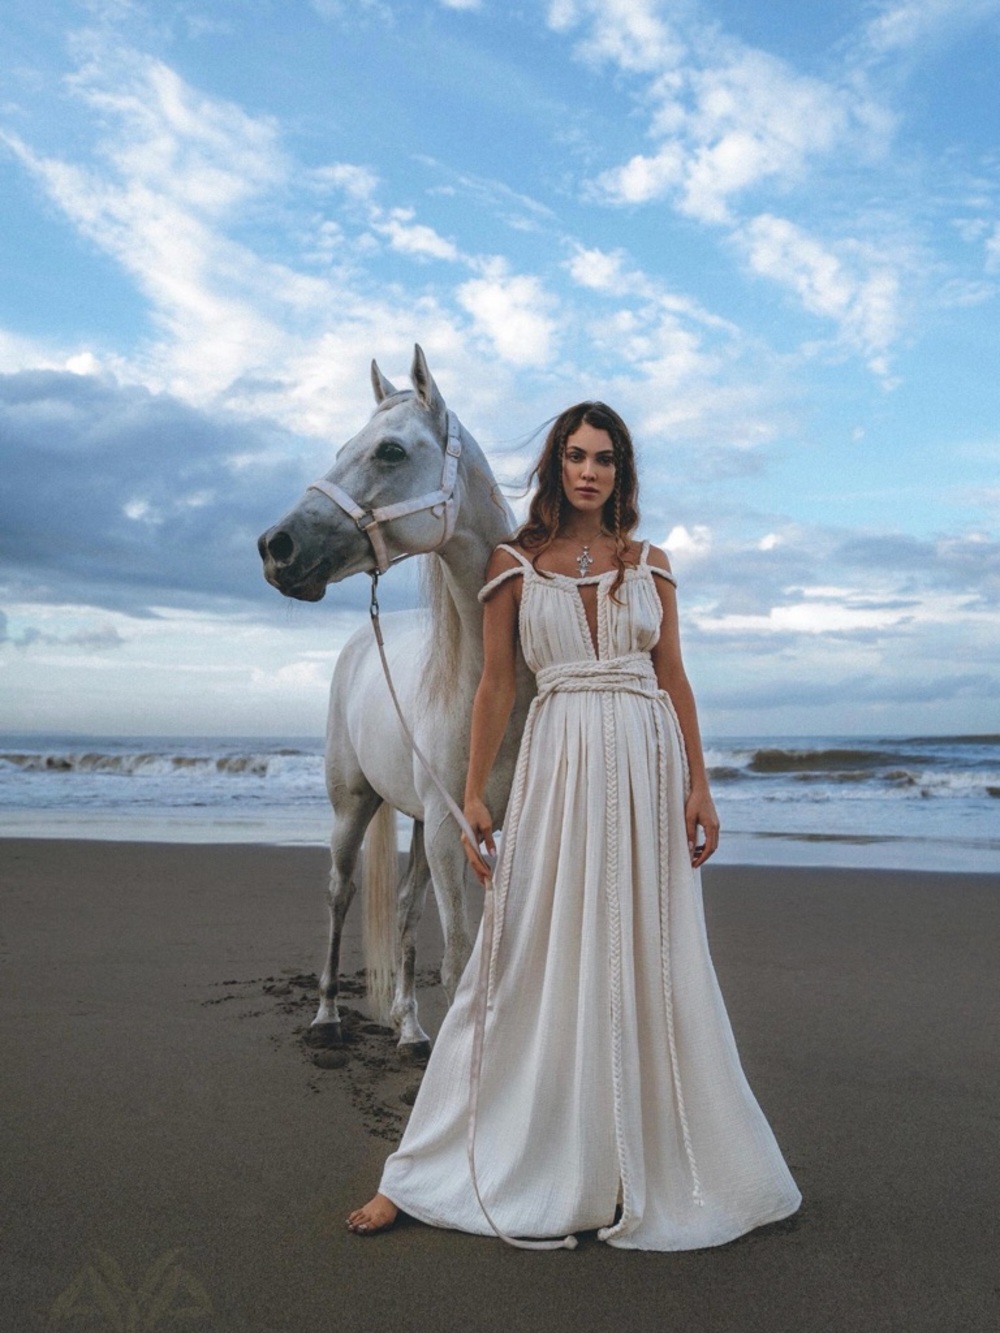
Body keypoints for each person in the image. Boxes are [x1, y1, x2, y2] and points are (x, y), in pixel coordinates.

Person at [347, 402, 801, 1249]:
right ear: (556, 465)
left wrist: (702, 787)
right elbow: (494, 688)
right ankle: (421, 1169)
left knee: (646, 955)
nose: (589, 471)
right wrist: (476, 793)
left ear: (621, 474)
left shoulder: (651, 563)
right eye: (576, 455)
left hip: (645, 768)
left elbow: (675, 679)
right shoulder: (511, 563)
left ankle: (632, 1159)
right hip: (555, 768)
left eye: (605, 459)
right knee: (514, 955)